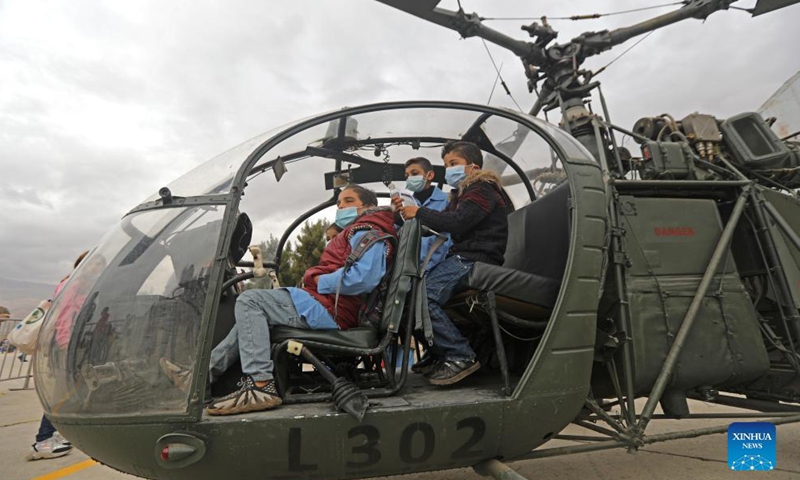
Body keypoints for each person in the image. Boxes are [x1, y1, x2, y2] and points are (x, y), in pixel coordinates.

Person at [189, 185, 396, 416]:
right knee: (253, 312)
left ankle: (260, 385)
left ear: (367, 207)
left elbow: (363, 279)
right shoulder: (358, 231)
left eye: (348, 201)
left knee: (250, 301)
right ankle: (202, 374)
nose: (340, 207)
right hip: (329, 304)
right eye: (339, 203)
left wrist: (319, 281)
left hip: (333, 309)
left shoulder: (370, 232)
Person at [399, 141, 509, 386]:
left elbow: (458, 222)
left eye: (453, 164)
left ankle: (460, 355)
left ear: (473, 167)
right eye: (447, 164)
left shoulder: (482, 188)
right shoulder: (462, 194)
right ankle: (440, 352)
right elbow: (447, 222)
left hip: (477, 258)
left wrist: (419, 213)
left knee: (424, 297)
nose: (448, 170)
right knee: (411, 297)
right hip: (463, 257)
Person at [26, 250, 89, 461]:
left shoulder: (81, 287)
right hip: (66, 347)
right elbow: (64, 317)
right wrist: (65, 346)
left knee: (74, 390)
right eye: (95, 265)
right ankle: (43, 440)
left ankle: (56, 434)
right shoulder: (71, 286)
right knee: (63, 392)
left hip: (75, 347)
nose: (98, 269)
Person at [395, 157, 452, 273]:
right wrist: (395, 217)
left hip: (438, 268)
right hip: (407, 270)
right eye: (407, 176)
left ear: (429, 175)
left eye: (414, 173)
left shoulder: (448, 201)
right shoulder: (405, 203)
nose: (410, 178)